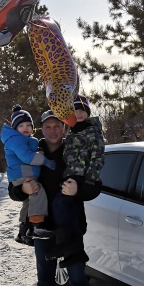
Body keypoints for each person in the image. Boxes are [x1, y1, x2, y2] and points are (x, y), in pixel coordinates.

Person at [8, 109, 100, 286]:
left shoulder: (74, 149)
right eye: (48, 126)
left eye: (57, 125)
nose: (53, 130)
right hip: (43, 227)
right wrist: (22, 189)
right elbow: (13, 188)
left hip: (71, 226)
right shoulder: (31, 150)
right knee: (46, 279)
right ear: (41, 129)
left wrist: (79, 189)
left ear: (64, 127)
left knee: (77, 277)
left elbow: (95, 185)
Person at [48, 94, 105, 263]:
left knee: (59, 203)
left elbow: (98, 156)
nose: (79, 114)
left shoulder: (91, 130)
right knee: (72, 213)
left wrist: (89, 180)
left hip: (81, 177)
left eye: (82, 110)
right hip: (71, 175)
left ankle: (64, 244)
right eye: (75, 111)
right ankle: (77, 252)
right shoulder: (71, 132)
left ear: (88, 112)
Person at [0, 105, 56, 244]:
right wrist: (45, 160)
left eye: (28, 125)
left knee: (29, 202)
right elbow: (26, 157)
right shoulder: (15, 139)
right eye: (21, 125)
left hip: (24, 175)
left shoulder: (24, 140)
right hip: (23, 175)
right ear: (15, 128)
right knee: (37, 191)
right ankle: (36, 225)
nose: (25, 127)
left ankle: (23, 232)